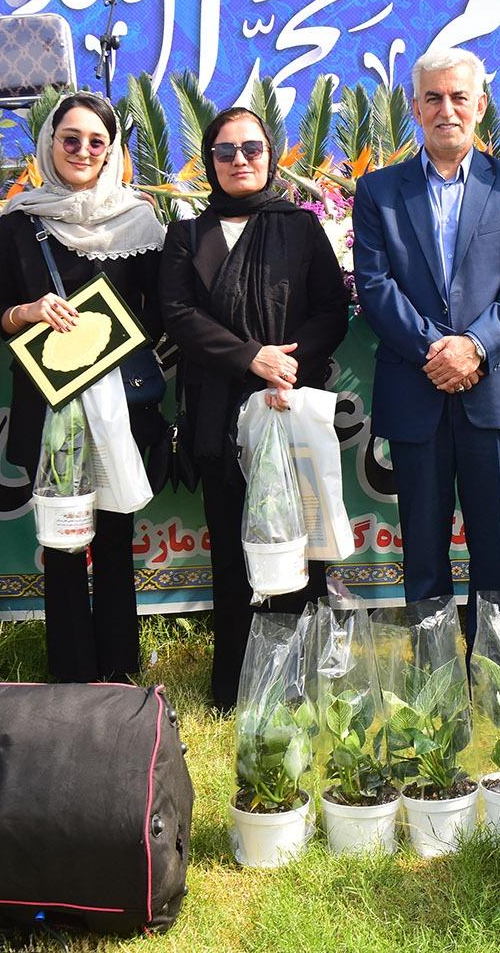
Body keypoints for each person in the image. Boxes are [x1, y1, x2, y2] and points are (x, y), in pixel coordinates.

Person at [352, 48, 500, 635]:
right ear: (415, 108)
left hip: (493, 392)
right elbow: (375, 286)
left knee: (497, 545)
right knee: (422, 545)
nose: (447, 110)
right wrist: (436, 351)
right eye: (433, 98)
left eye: (459, 97)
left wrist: (474, 348)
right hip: (416, 391)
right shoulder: (379, 191)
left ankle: (495, 665)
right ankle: (431, 669)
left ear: (480, 105)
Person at [160, 106, 350, 710]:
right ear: (209, 161)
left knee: (300, 547)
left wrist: (287, 365)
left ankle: (301, 684)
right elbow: (178, 315)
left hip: (288, 406)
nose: (239, 160)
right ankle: (237, 687)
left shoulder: (300, 227)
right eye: (225, 151)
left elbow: (332, 309)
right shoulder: (187, 235)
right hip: (220, 414)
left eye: (251, 149)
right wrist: (251, 358)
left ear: (270, 155)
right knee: (233, 547)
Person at [0, 93, 166, 683]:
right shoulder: (20, 220)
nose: (83, 151)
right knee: (61, 538)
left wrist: (104, 336)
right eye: (71, 139)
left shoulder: (139, 219)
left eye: (97, 141)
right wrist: (28, 311)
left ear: (112, 150)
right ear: (50, 143)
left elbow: (160, 310)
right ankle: (69, 670)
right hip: (49, 403)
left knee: (115, 534)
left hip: (119, 404)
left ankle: (117, 671)